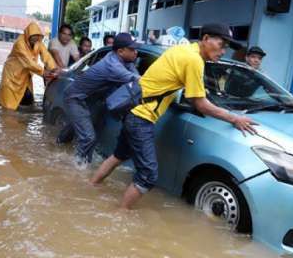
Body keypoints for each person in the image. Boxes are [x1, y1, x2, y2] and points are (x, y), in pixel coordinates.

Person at [90, 23, 258, 209]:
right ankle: (119, 217)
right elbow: (200, 103)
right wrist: (235, 118)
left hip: (133, 109)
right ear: (205, 38)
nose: (223, 51)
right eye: (221, 44)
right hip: (141, 117)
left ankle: (91, 186)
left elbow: (172, 82)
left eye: (226, 47)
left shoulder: (183, 49)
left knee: (119, 155)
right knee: (148, 176)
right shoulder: (194, 60)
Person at [62, 33, 141, 164]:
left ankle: (58, 145)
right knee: (88, 137)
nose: (136, 52)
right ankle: (77, 169)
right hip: (75, 98)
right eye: (132, 49)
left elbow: (135, 74)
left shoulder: (123, 59)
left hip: (90, 99)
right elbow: (141, 81)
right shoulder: (113, 66)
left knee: (76, 129)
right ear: (120, 51)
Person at [0, 22, 60, 110]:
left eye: (37, 37)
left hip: (25, 75)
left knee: (28, 100)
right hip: (12, 75)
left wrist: (54, 68)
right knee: (8, 105)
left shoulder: (38, 42)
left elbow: (46, 55)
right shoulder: (20, 43)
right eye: (33, 37)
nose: (35, 40)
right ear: (28, 35)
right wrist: (43, 72)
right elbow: (28, 61)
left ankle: (23, 120)